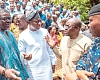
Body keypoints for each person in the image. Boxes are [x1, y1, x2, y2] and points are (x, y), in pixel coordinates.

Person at [64, 3, 100, 80]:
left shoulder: (87, 41)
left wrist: (75, 79)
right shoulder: (97, 41)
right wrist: (79, 72)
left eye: (91, 21)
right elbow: (84, 59)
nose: (88, 25)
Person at [18, 9, 56, 80]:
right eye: (36, 22)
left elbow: (49, 49)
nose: (39, 23)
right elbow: (21, 52)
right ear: (28, 22)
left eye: (40, 21)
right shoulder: (23, 35)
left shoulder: (44, 32)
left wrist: (53, 61)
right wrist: (25, 56)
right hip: (32, 69)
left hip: (46, 68)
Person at [0, 9, 29, 80]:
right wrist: (4, 72)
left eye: (9, 18)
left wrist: (23, 55)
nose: (8, 21)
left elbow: (15, 53)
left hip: (15, 73)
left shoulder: (10, 34)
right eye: (4, 19)